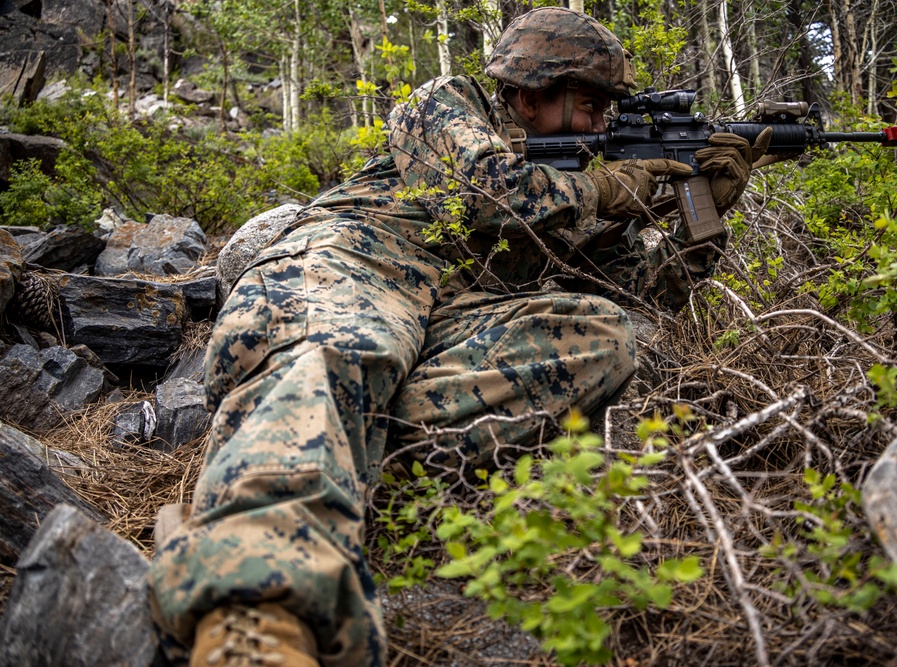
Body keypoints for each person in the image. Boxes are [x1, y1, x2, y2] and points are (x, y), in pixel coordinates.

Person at [147, 7, 769, 667]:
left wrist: (699, 226)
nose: (600, 124)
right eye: (588, 106)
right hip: (354, 265)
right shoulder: (448, 104)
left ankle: (308, 453)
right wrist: (600, 188)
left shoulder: (572, 193)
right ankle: (256, 608)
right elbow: (484, 189)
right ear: (530, 97)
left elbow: (634, 288)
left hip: (449, 323)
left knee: (603, 336)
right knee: (344, 353)